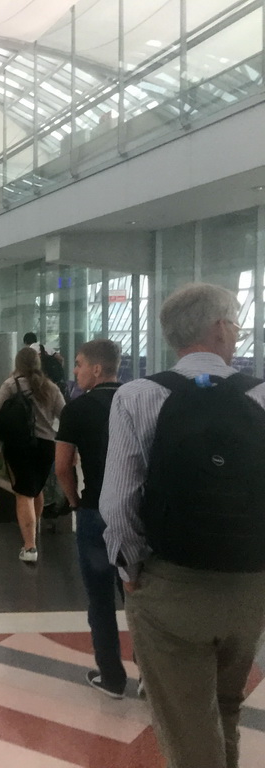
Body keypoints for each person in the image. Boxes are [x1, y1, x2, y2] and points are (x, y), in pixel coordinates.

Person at [102, 283, 265, 768]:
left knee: (186, 724)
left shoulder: (137, 396)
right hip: (250, 583)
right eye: (233, 322)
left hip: (170, 585)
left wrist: (131, 573)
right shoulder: (260, 395)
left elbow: (117, 503)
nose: (235, 331)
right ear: (218, 328)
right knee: (226, 706)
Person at [54, 339, 126, 697]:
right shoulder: (140, 401)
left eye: (80, 364)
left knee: (100, 598)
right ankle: (151, 677)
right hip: (135, 515)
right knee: (139, 596)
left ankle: (111, 677)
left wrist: (73, 501)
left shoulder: (77, 410)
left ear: (97, 369)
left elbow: (62, 466)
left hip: (95, 511)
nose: (76, 371)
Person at [0, 346, 65, 562]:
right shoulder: (50, 387)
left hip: (18, 445)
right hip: (46, 446)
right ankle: (34, 530)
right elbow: (65, 413)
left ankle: (30, 546)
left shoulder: (10, 385)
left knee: (23, 493)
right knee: (36, 489)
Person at [24, 331, 68, 398]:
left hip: (39, 382)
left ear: (25, 342)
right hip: (52, 381)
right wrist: (57, 370)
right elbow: (61, 359)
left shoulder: (29, 351)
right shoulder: (45, 347)